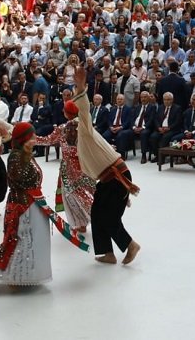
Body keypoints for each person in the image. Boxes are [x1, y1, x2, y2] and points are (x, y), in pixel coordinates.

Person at [0, 122, 89, 286]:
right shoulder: (15, 156)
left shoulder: (26, 154)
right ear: (24, 139)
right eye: (32, 137)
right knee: (22, 239)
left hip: (33, 203)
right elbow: (19, 179)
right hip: (23, 206)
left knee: (35, 241)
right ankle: (15, 277)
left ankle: (30, 275)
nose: (35, 139)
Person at [73, 66, 141, 265]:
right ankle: (107, 253)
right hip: (106, 179)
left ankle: (131, 245)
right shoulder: (78, 141)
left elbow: (84, 110)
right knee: (96, 213)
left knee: (109, 217)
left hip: (116, 176)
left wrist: (79, 87)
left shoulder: (84, 129)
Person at [34, 100, 95, 232]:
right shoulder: (85, 126)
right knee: (87, 193)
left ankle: (85, 222)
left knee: (71, 196)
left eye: (64, 110)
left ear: (67, 113)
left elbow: (48, 140)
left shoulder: (62, 128)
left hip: (69, 169)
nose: (62, 112)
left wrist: (33, 139)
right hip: (86, 166)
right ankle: (90, 220)